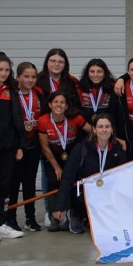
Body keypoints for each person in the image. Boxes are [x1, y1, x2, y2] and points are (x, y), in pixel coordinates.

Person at [53, 114, 127, 234]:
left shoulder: (118, 149)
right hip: (85, 194)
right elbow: (67, 178)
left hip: (107, 193)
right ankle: (77, 215)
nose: (104, 130)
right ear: (94, 129)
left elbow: (124, 177)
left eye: (107, 127)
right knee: (80, 198)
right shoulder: (82, 148)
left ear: (112, 129)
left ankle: (94, 218)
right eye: (100, 126)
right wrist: (59, 206)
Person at [36, 91, 90, 232]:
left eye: (62, 102)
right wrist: (56, 167)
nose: (59, 105)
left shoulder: (75, 118)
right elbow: (45, 147)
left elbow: (92, 131)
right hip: (52, 157)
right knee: (54, 182)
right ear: (49, 104)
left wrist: (84, 148)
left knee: (70, 183)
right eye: (55, 102)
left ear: (66, 106)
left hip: (71, 156)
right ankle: (54, 216)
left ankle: (67, 215)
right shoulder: (43, 120)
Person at [0, 53, 26, 241]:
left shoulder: (12, 90)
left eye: (7, 70)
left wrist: (19, 144)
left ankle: (1, 223)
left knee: (5, 186)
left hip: (9, 147)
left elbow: (17, 118)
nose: (3, 73)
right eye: (0, 69)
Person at [10, 62, 44, 232]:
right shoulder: (12, 94)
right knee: (14, 183)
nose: (30, 80)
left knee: (30, 183)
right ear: (18, 77)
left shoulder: (38, 93)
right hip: (17, 147)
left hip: (33, 145)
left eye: (33, 77)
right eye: (26, 76)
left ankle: (30, 219)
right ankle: (11, 219)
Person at [78, 58, 123, 131]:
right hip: (85, 132)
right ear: (87, 73)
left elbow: (116, 114)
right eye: (92, 71)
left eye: (99, 72)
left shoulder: (113, 88)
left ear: (105, 73)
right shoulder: (79, 88)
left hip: (107, 131)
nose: (95, 75)